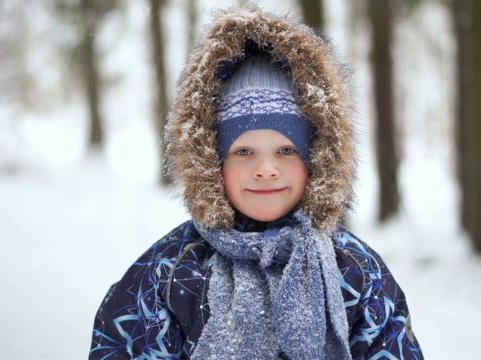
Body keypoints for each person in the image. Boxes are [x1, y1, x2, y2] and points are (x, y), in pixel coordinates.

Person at [89, 5, 423, 360]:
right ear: (210, 164)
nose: (266, 169)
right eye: (244, 151)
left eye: (286, 150)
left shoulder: (356, 273)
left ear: (318, 159)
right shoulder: (167, 275)